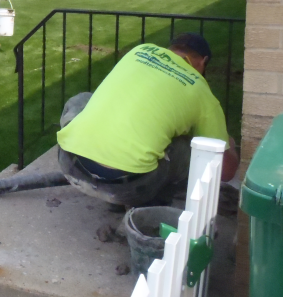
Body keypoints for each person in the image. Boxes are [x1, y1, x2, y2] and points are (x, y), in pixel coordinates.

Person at [56, 33, 239, 207]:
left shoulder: (139, 51)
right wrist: (228, 143)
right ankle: (152, 203)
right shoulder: (201, 91)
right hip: (130, 189)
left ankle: (82, 143)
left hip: (69, 164)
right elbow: (225, 172)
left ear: (170, 49)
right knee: (188, 148)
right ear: (203, 62)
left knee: (83, 100)